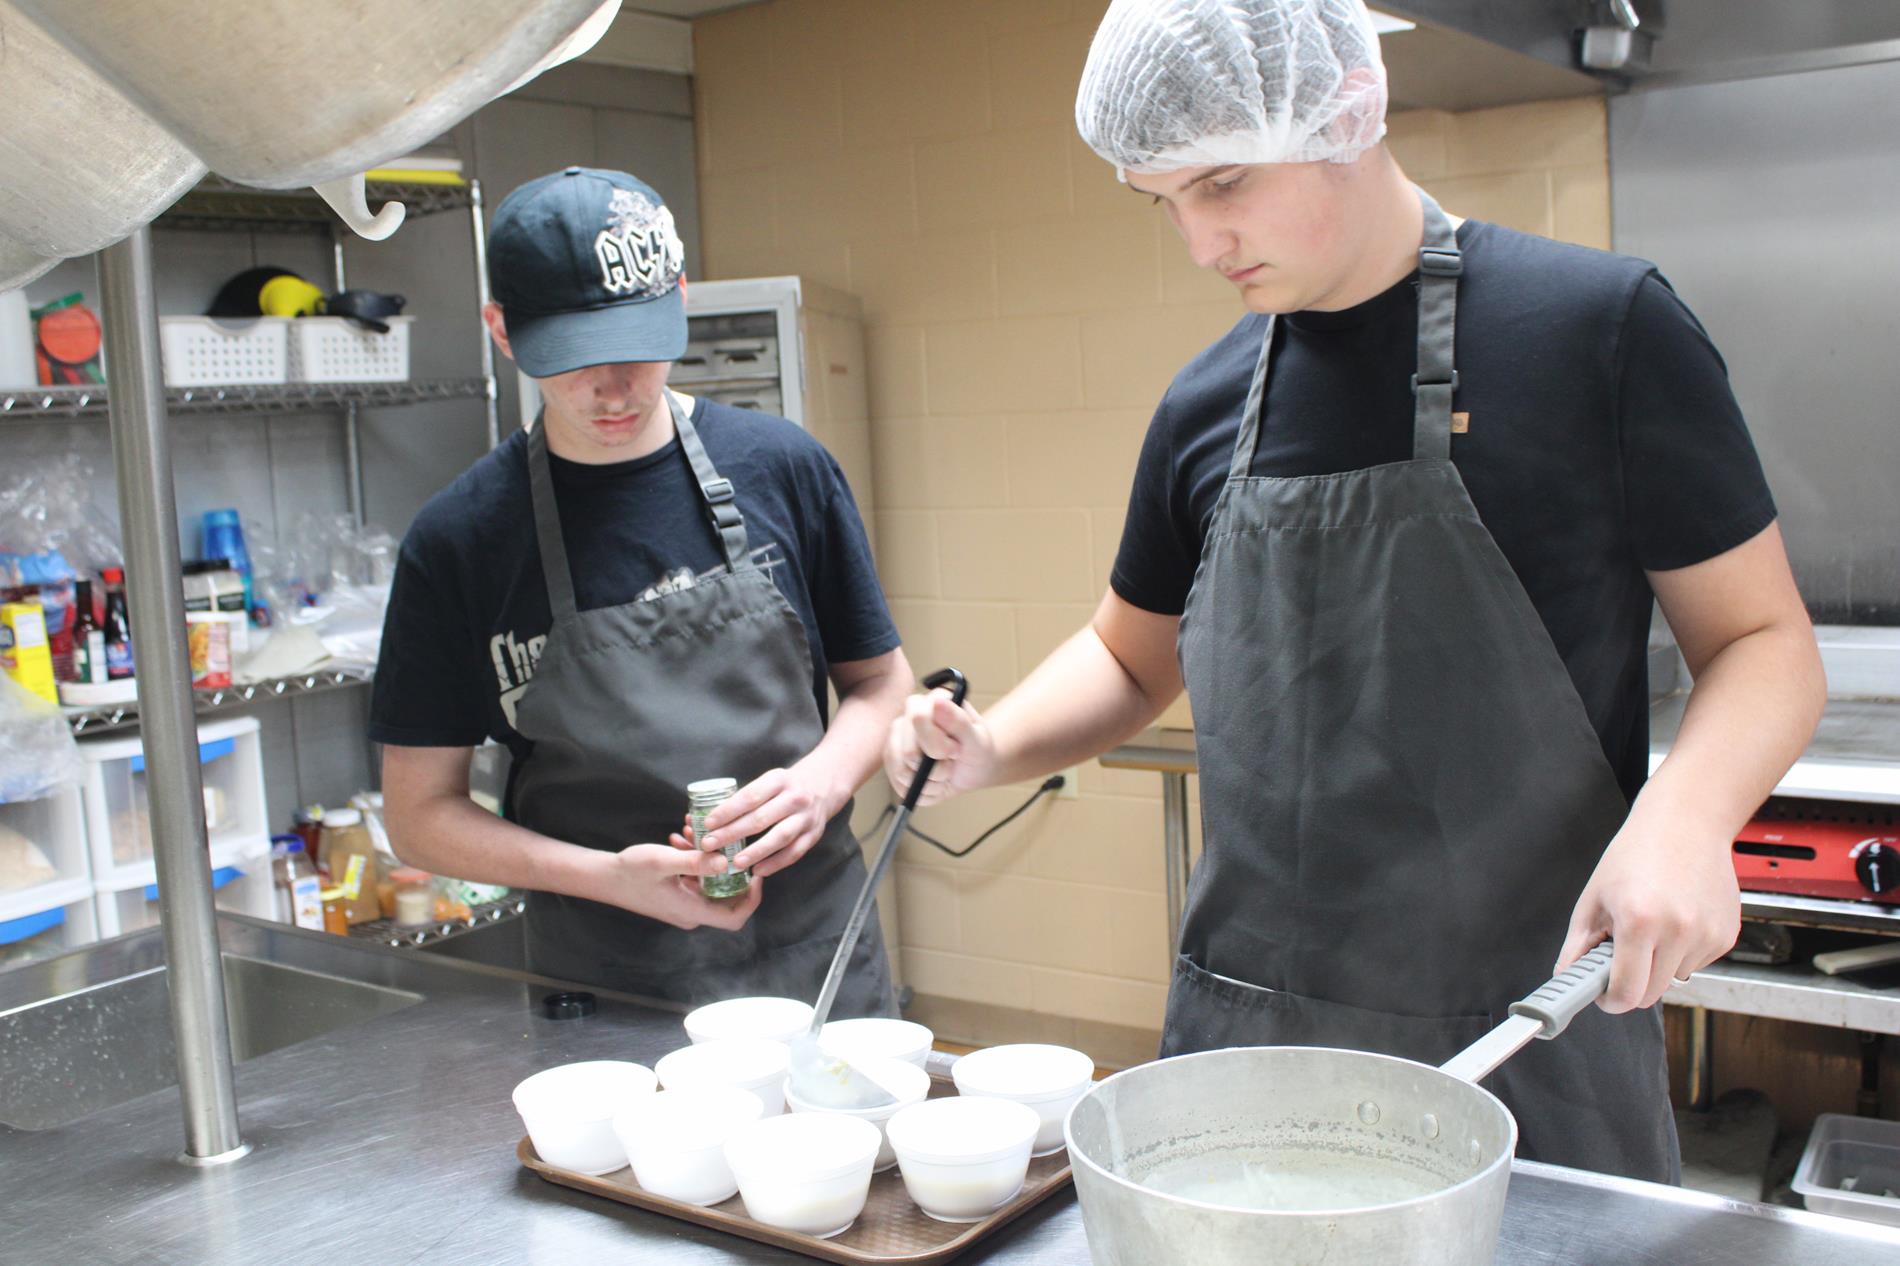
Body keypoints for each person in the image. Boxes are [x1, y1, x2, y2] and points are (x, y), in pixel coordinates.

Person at [884, 0, 1824, 1182]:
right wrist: (988, 746)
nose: (1198, 243)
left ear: (1347, 108)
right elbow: (1131, 657)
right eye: (1163, 202)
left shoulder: (1596, 331)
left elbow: (1763, 641)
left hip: (1526, 1042)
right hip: (1253, 1051)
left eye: (1223, 183)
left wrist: (1686, 820)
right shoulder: (1205, 404)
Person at [373, 166, 909, 1016]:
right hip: (607, 984)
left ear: (681, 303)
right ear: (501, 331)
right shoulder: (462, 541)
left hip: (818, 964)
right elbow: (419, 813)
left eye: (635, 348)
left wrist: (823, 782)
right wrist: (607, 879)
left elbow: (881, 686)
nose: (612, 387)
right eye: (573, 360)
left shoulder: (783, 468)